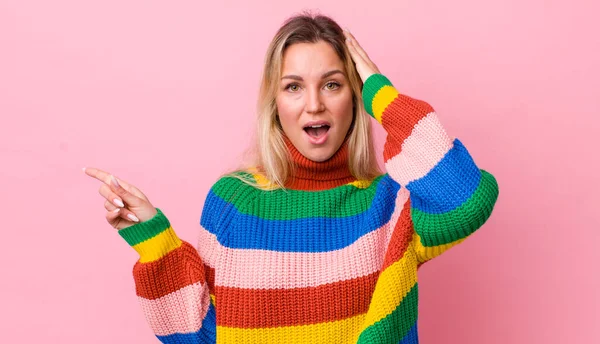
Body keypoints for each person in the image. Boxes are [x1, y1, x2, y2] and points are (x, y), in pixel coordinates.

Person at [84, 12, 499, 344]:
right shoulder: (233, 202)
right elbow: (201, 335)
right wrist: (157, 243)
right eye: (294, 87)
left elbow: (466, 199)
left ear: (354, 100)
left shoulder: (392, 207)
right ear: (275, 101)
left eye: (333, 85)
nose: (314, 105)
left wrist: (380, 92)